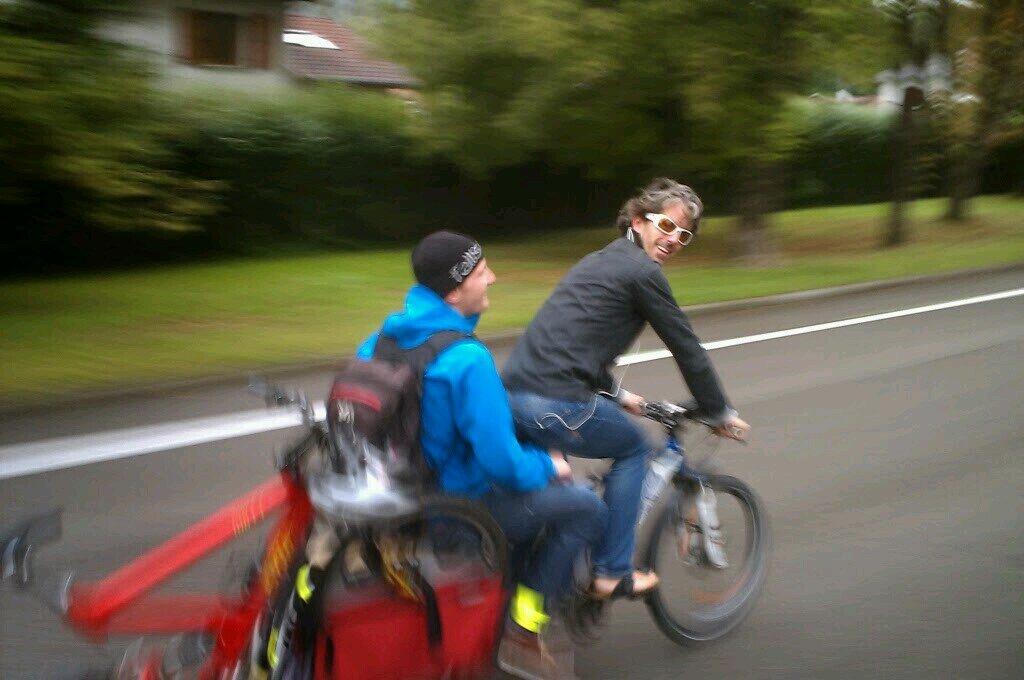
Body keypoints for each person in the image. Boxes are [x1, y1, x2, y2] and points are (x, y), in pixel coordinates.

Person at [357, 230, 608, 679]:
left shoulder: (380, 340)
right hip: (456, 512)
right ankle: (524, 631)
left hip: (395, 504)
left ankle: (504, 591)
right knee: (585, 506)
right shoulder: (466, 359)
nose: (492, 277)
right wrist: (549, 464)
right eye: (480, 271)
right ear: (455, 291)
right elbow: (503, 465)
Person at [502, 178, 750, 600]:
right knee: (633, 449)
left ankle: (531, 588)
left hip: (513, 397)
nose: (674, 240)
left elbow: (576, 342)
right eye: (666, 227)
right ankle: (612, 572)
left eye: (684, 235)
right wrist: (718, 410)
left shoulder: (602, 261)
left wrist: (621, 397)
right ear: (638, 220)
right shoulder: (643, 272)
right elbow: (686, 347)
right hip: (553, 401)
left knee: (554, 493)